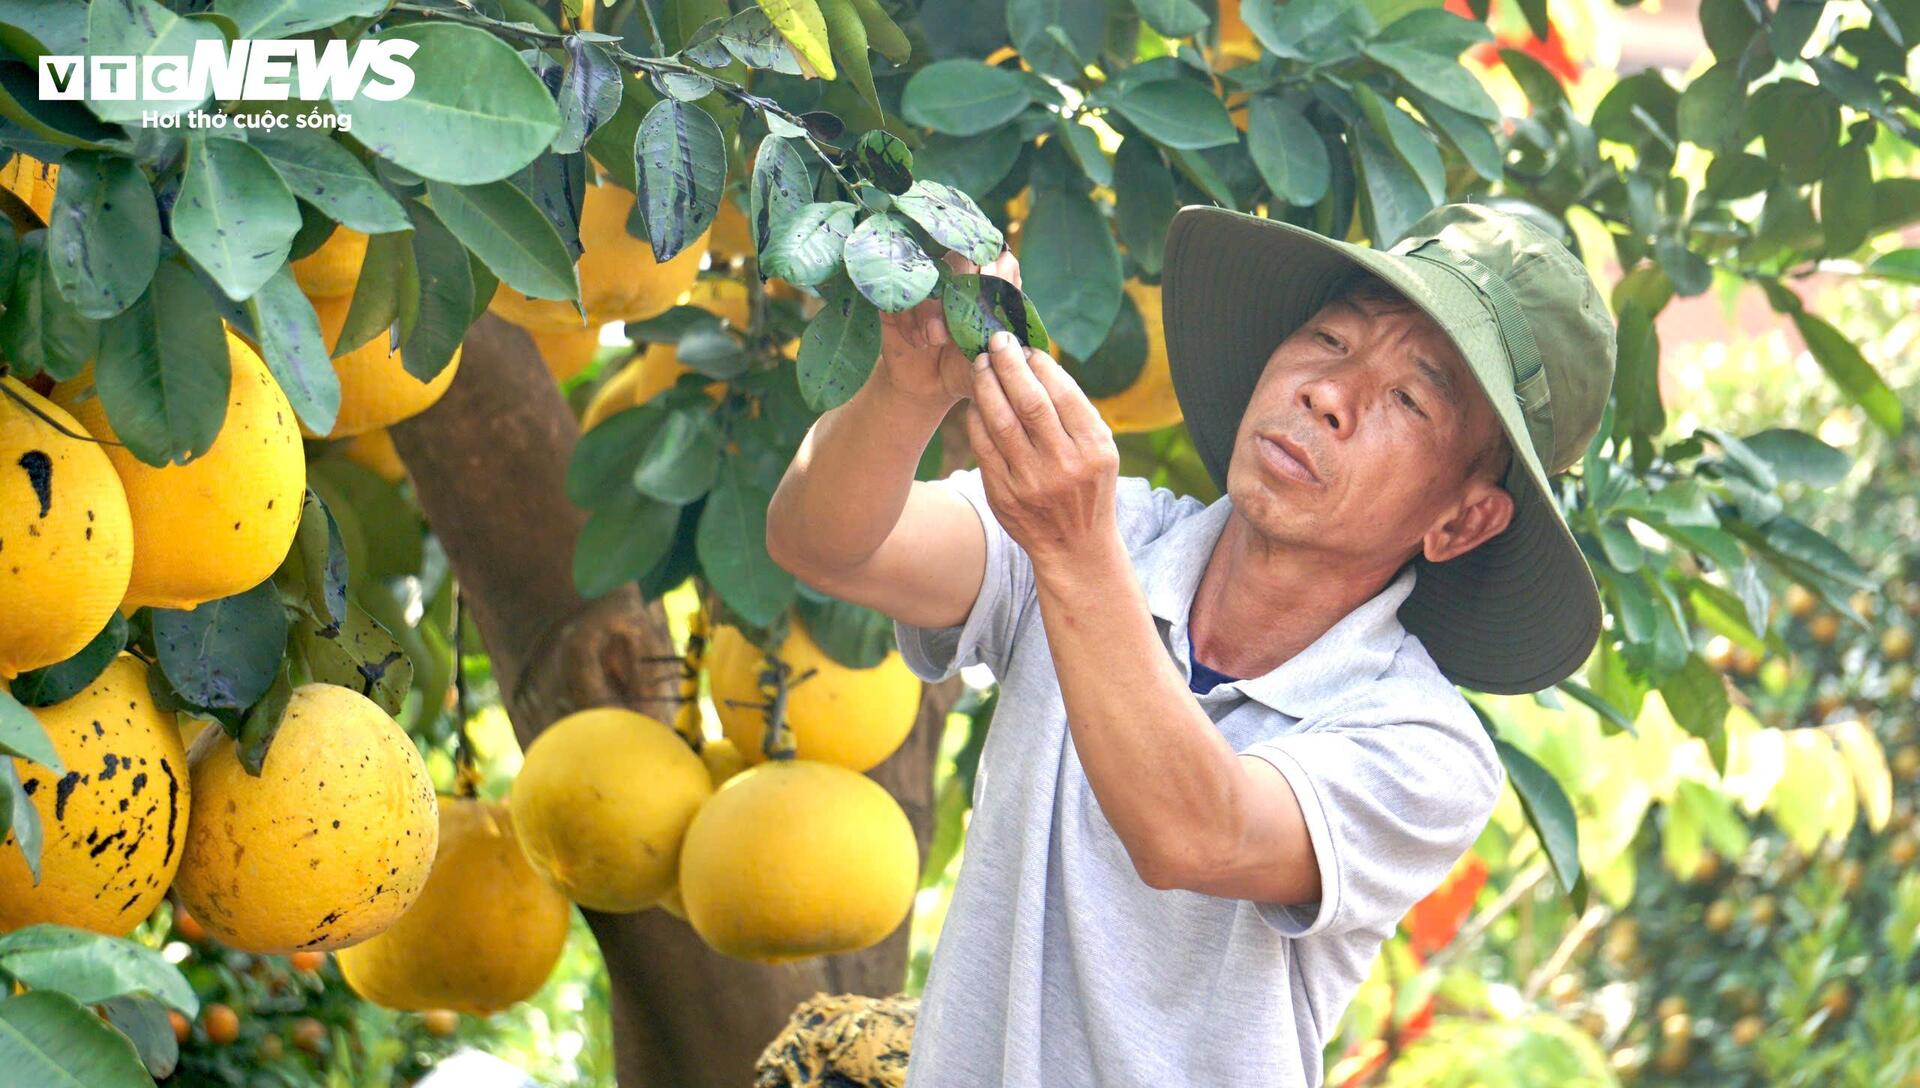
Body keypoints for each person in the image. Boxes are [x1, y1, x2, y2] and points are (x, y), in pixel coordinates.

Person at [764, 201, 1617, 1087]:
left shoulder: (1425, 746)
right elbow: (825, 543)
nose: (1330, 395)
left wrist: (1074, 550)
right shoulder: (1114, 536)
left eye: (1409, 398)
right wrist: (904, 391)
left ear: (1462, 519)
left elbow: (1196, 835)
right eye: (1330, 340)